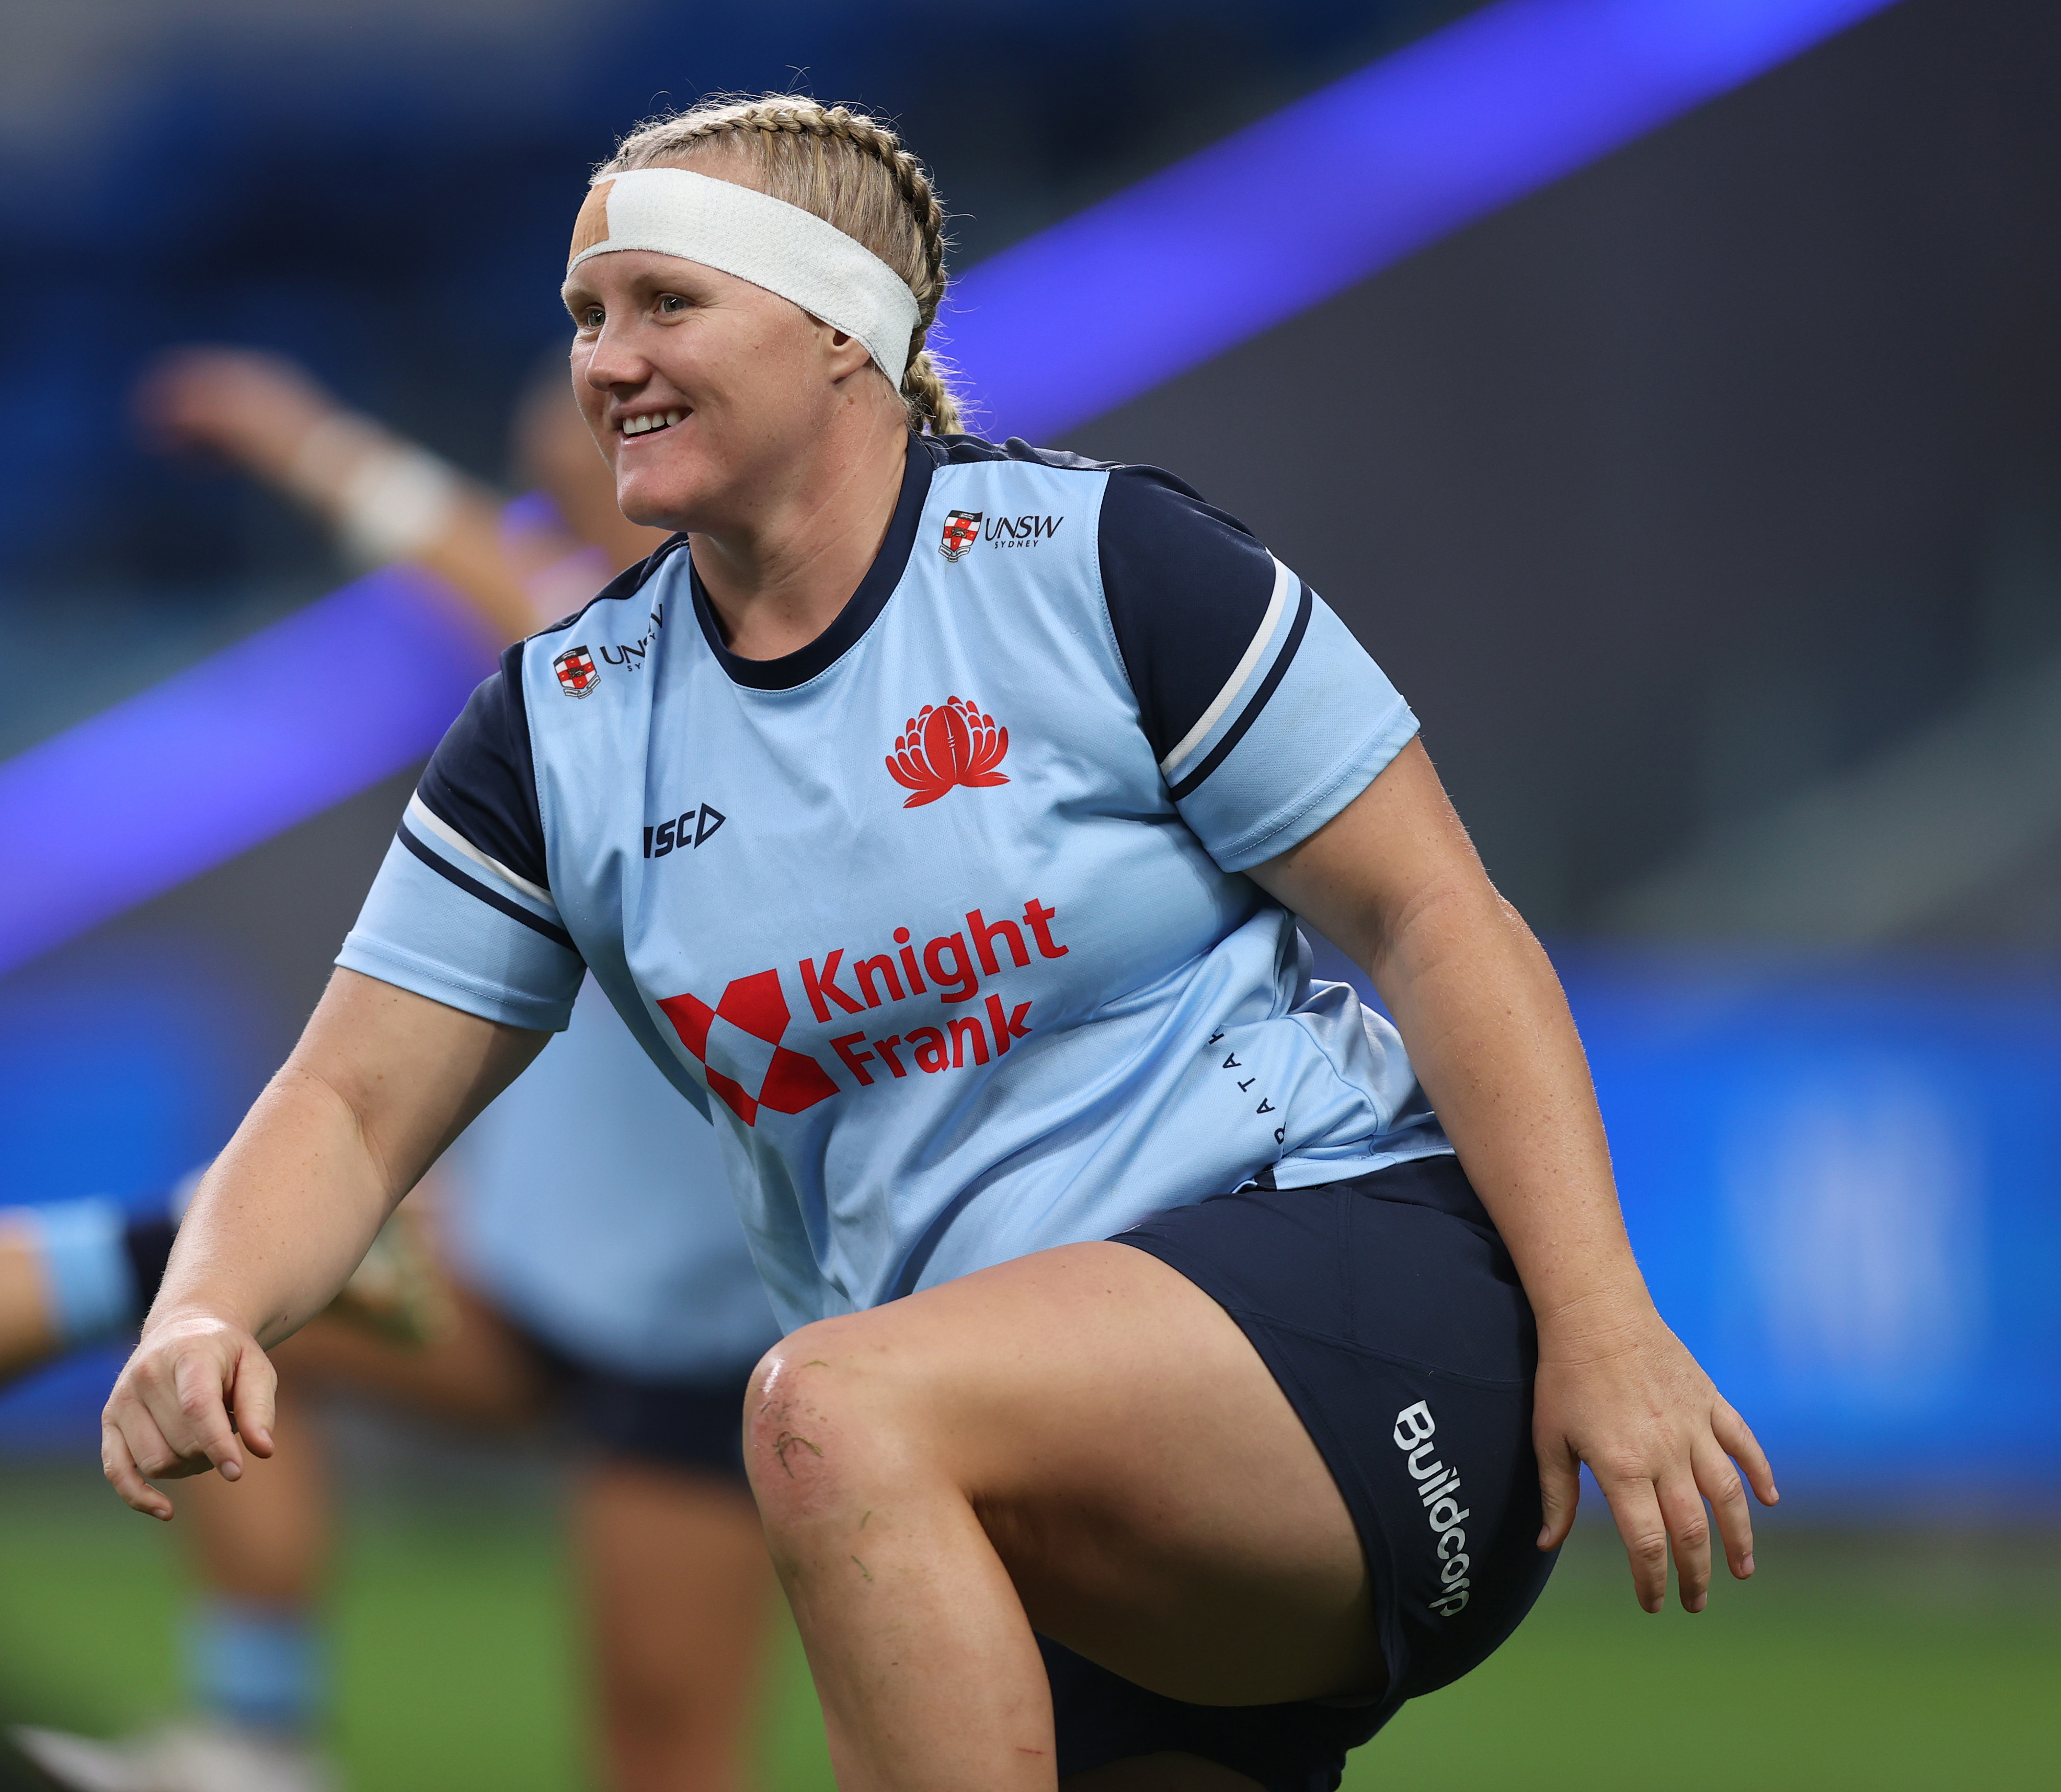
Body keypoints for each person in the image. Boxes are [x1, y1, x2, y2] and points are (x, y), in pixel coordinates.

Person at [96, 95, 1779, 1792]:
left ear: (845, 328)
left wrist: (1604, 1316)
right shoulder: (563, 723)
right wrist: (207, 1308)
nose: (608, 362)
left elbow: (1437, 919)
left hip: (1350, 1314)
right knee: (855, 1418)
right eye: (587, 315)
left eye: (666, 304)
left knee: (825, 1408)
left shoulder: (1107, 568)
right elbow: (348, 1102)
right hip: (1024, 1487)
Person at [0, 362, 794, 1792]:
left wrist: (312, 444)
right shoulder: (593, 674)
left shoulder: (704, 697)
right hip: (526, 1281)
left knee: (666, 1762)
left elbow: (489, 575)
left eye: (600, 496)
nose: (563, 532)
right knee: (228, 1318)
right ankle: (255, 1743)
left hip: (702, 1348)